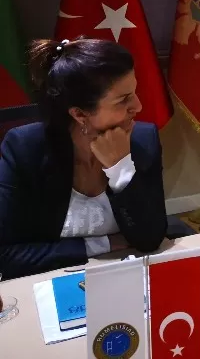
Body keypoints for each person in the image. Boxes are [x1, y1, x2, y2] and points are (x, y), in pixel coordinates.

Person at [0, 39, 167, 280]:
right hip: (51, 282)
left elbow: (151, 238)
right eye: (123, 100)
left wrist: (120, 168)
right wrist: (103, 244)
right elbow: (7, 255)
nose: (138, 106)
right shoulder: (24, 148)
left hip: (126, 277)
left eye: (134, 93)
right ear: (79, 114)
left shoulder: (143, 140)